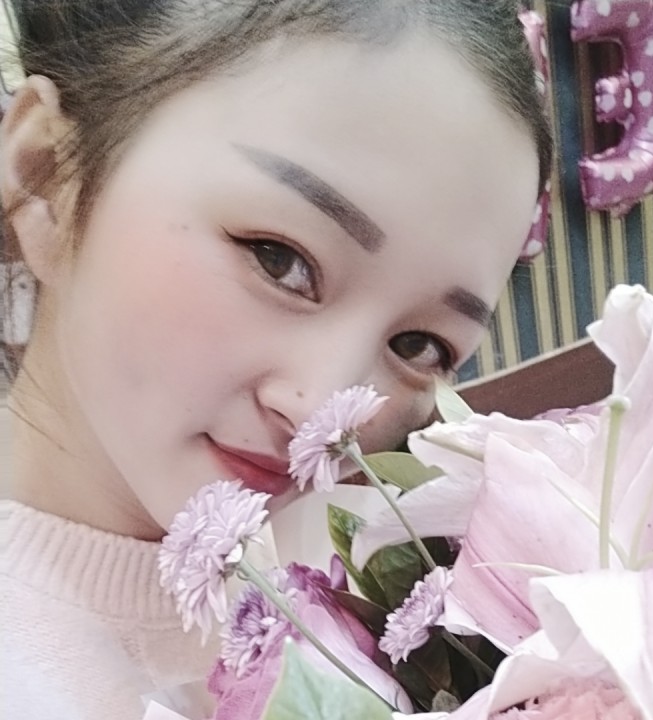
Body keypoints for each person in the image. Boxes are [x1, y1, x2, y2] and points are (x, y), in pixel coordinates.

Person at [0, 0, 552, 718]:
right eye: (278, 258)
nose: (322, 410)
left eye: (419, 346)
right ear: (46, 176)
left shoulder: (385, 610)